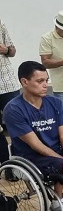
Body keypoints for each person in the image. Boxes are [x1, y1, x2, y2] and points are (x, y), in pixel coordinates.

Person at [3, 61, 63, 211]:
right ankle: (56, 202)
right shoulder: (13, 109)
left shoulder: (55, 103)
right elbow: (35, 145)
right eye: (40, 81)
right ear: (24, 82)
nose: (45, 85)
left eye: (46, 80)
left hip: (57, 153)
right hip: (31, 158)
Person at [0, 18, 20, 167]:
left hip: (8, 84)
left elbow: (12, 50)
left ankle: (20, 165)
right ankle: (6, 165)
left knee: (18, 125)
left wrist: (6, 50)